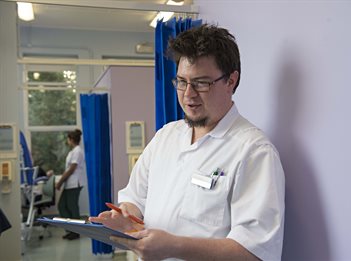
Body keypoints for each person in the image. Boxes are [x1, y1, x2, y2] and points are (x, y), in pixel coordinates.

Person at [90, 24, 285, 260]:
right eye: (182, 82)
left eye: (201, 83)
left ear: (231, 81)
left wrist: (174, 247)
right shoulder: (166, 136)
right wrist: (124, 217)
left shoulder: (253, 151)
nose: (188, 94)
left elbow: (255, 252)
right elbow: (135, 198)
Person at [55, 129, 85, 240]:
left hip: (74, 184)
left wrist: (60, 181)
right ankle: (70, 229)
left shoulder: (77, 151)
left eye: (68, 139)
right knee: (62, 206)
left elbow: (71, 169)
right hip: (70, 184)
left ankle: (75, 232)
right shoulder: (73, 151)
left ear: (71, 139)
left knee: (72, 208)